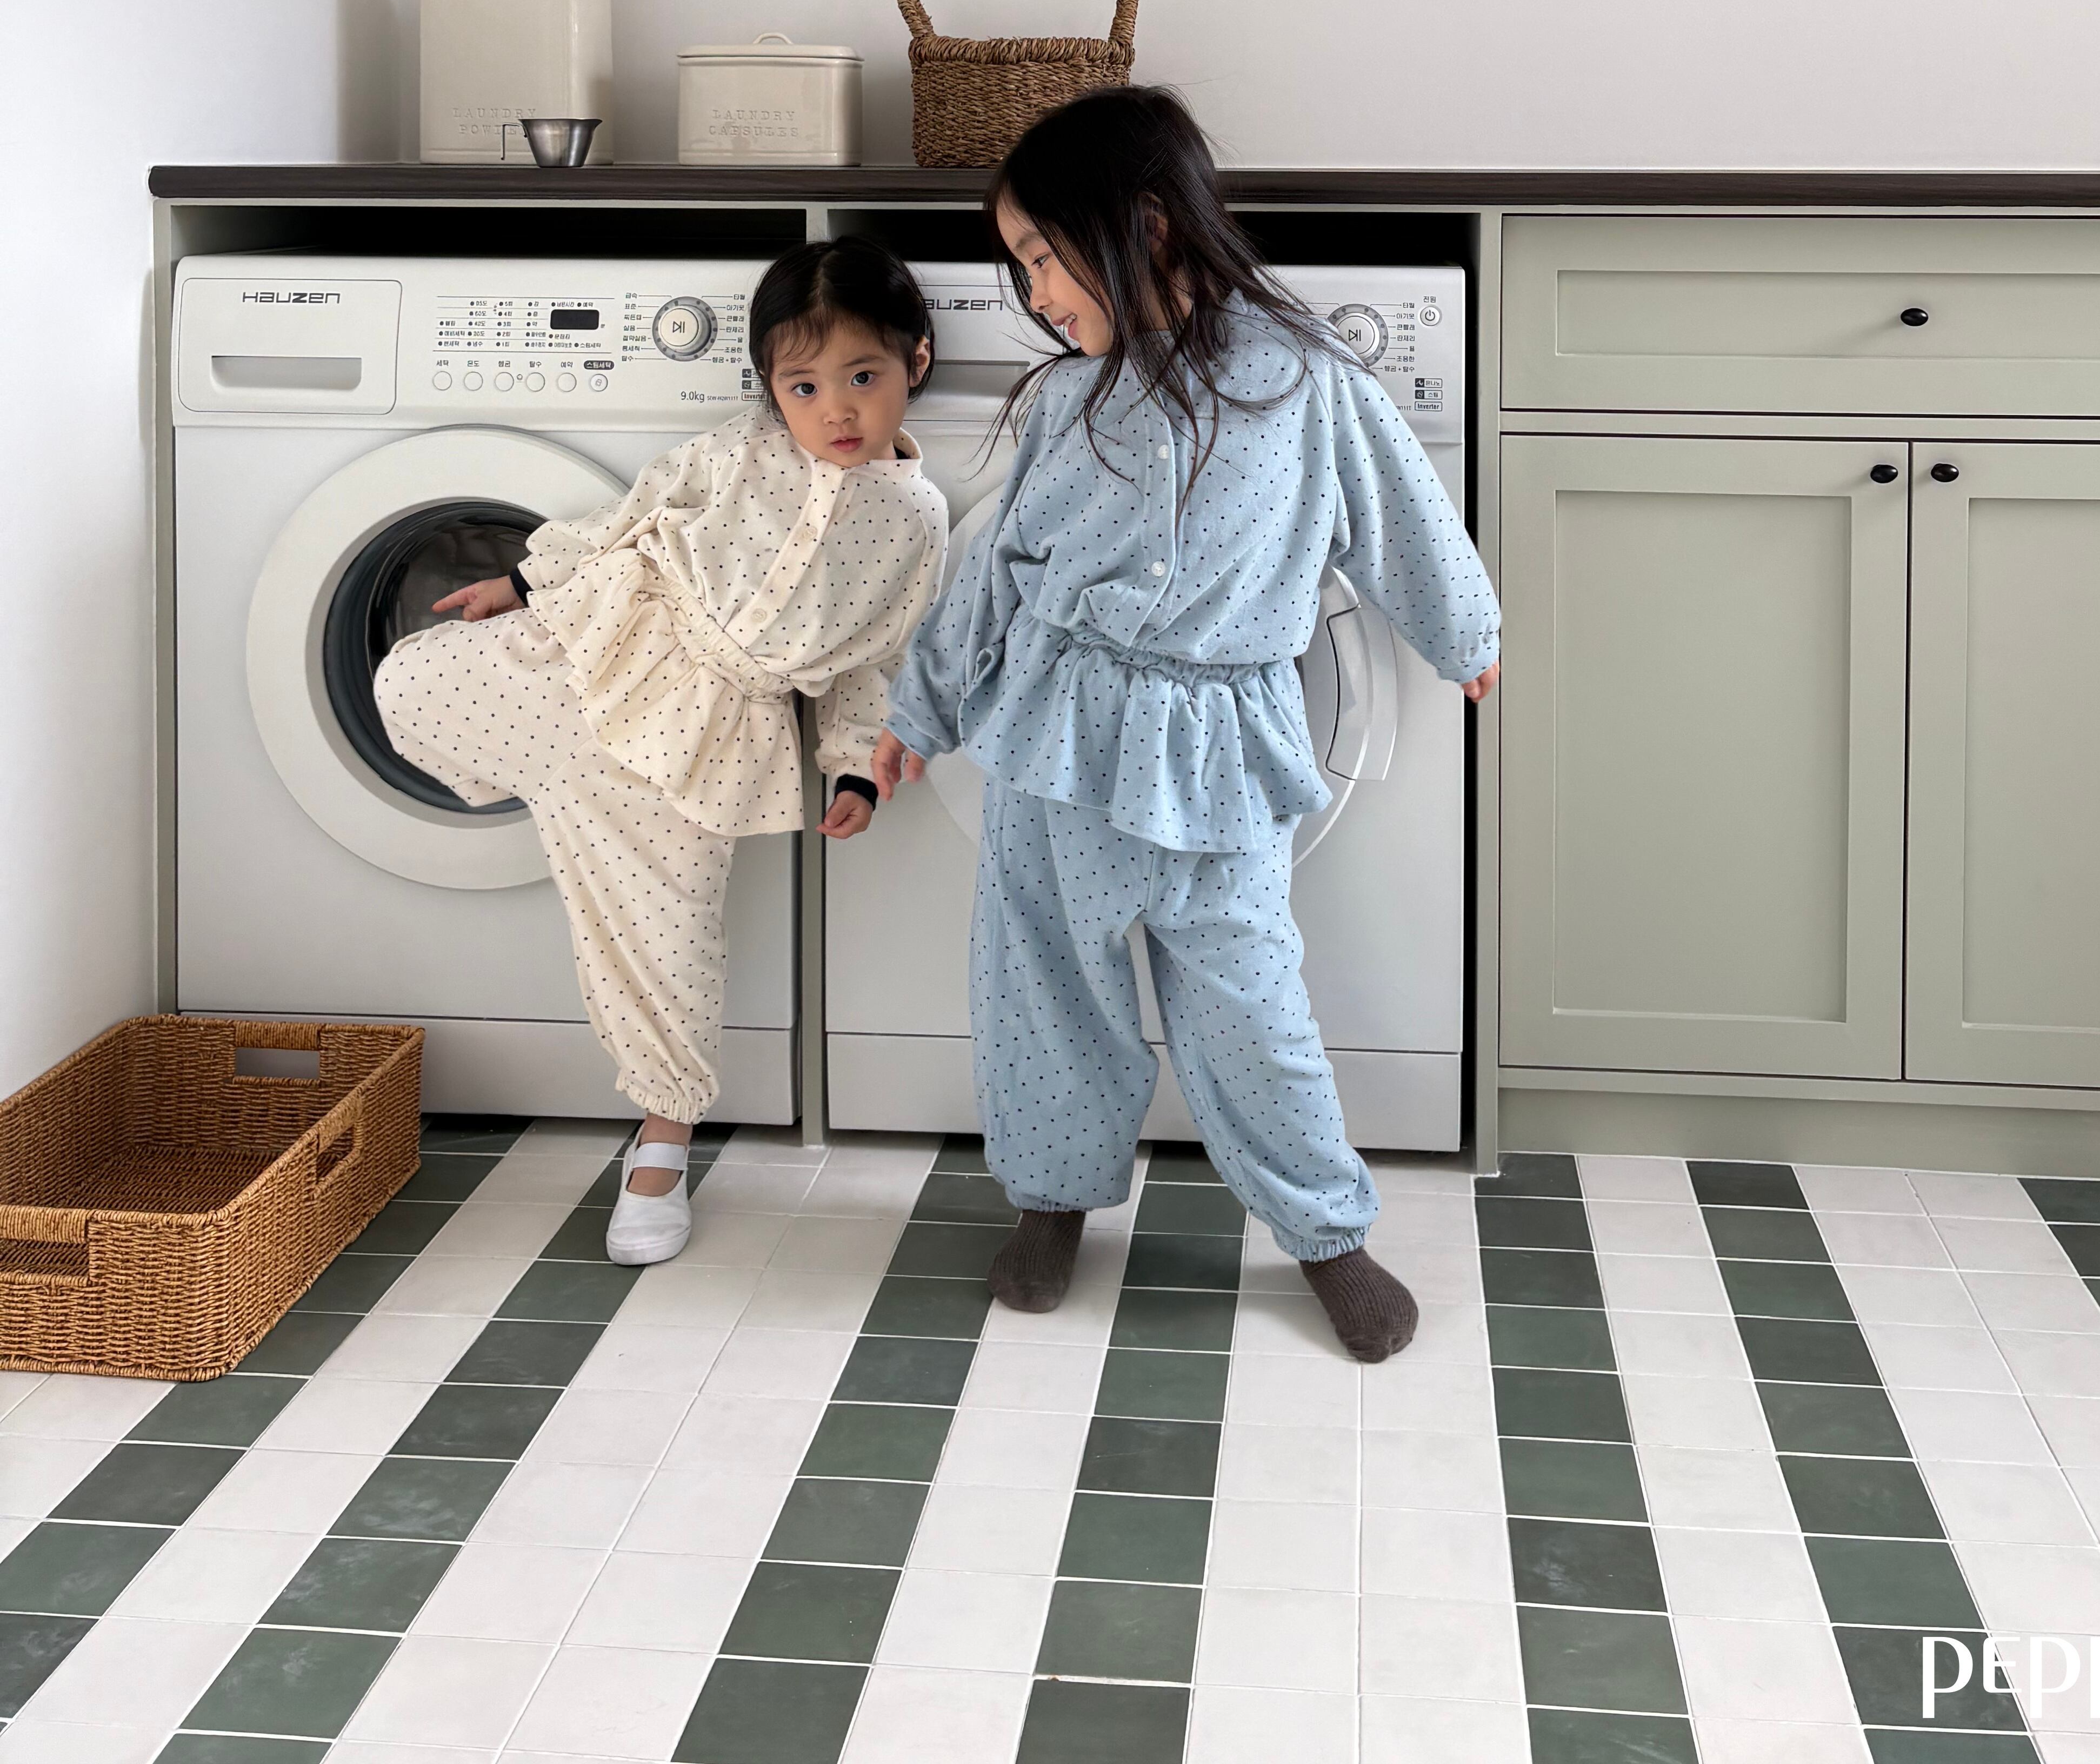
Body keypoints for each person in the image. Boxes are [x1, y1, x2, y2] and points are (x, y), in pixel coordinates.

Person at [880, 88, 1499, 1362]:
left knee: (1249, 1000)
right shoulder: (1068, 403)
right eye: (1021, 267)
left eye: (1044, 258)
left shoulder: (1305, 382)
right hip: (1055, 734)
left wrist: (1466, 635)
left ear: (1148, 226)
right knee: (1042, 984)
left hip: (1221, 749)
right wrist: (921, 706)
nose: (1036, 293)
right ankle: (1052, 1202)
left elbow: (1402, 513)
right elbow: (994, 571)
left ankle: (1326, 1232)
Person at [375, 239, 945, 1263]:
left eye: (863, 377)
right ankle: (561, 789)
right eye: (805, 387)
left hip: (713, 738)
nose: (837, 410)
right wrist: (522, 581)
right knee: (408, 681)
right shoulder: (735, 450)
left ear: (917, 360)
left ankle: (662, 1142)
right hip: (610, 639)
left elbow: (875, 658)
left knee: (672, 943)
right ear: (771, 389)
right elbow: (628, 520)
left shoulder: (916, 520)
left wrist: (856, 766)